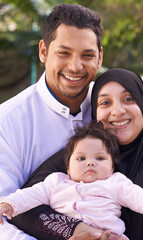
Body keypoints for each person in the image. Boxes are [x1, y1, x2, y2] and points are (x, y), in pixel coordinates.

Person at [9, 68, 143, 240]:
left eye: (129, 99)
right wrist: (78, 230)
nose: (117, 111)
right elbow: (21, 210)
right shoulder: (76, 157)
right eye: (105, 102)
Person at [0, 4, 103, 239]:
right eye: (64, 53)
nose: (75, 67)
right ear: (43, 51)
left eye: (87, 55)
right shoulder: (7, 122)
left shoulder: (113, 109)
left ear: (100, 57)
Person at [0, 121, 143, 239]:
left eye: (99, 158)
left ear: (112, 166)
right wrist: (9, 204)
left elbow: (137, 196)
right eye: (81, 158)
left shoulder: (115, 183)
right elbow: (30, 195)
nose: (90, 164)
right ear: (68, 167)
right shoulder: (55, 182)